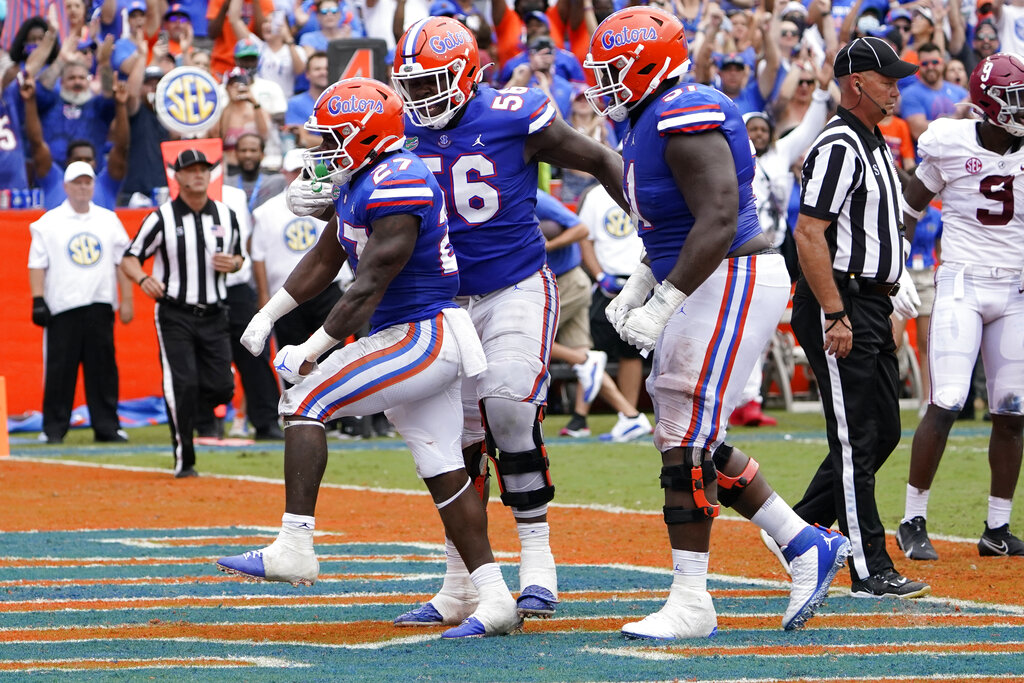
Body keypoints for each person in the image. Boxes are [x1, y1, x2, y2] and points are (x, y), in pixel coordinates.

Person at [216, 78, 522, 639]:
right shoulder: (366, 177)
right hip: (416, 332)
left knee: (304, 396)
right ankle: (497, 599)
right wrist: (268, 314)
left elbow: (369, 284)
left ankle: (295, 543)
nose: (322, 149)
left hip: (422, 334)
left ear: (364, 135)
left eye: (332, 136)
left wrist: (310, 350)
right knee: (443, 469)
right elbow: (326, 255)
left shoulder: (398, 179)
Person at [583, 6, 851, 640]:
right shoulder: (646, 118)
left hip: (730, 277)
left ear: (650, 64)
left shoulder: (686, 108)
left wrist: (666, 297)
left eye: (613, 70)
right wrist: (646, 280)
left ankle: (691, 601)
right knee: (682, 432)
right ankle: (801, 542)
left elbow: (720, 217)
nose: (603, 83)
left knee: (685, 442)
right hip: (709, 278)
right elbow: (670, 223)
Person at [384, 16, 626, 624]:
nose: (419, 97)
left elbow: (599, 157)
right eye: (411, 84)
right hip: (442, 302)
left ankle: (539, 565)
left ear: (467, 77)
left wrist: (655, 228)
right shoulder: (398, 128)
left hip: (515, 284)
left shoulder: (516, 113)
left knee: (511, 411)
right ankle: (461, 584)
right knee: (454, 440)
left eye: (433, 81)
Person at [783, 37, 930, 598]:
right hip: (840, 301)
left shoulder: (874, 143)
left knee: (883, 430)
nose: (896, 86)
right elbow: (809, 232)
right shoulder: (840, 143)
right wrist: (836, 313)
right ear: (856, 83)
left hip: (870, 300)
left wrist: (888, 299)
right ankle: (870, 568)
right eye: (886, 77)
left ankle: (795, 530)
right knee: (855, 439)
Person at [896, 53, 1024, 560]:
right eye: (1015, 99)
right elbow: (908, 208)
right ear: (992, 105)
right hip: (962, 284)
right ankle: (912, 518)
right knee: (946, 401)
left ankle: (997, 528)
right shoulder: (950, 141)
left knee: (1012, 412)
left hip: (1015, 291)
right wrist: (899, 268)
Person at [120, 149, 244, 478]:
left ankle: (200, 407)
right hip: (175, 313)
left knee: (222, 387)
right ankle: (184, 455)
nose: (198, 175)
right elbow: (130, 257)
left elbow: (239, 257)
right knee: (182, 383)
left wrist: (232, 263)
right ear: (178, 177)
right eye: (191, 170)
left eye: (204, 169)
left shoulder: (226, 215)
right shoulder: (161, 217)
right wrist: (144, 279)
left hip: (215, 313)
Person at [28, 161, 134, 444]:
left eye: (88, 182)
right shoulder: (48, 223)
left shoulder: (108, 220)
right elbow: (36, 264)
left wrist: (127, 300)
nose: (83, 187)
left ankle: (107, 425)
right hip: (63, 305)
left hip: (100, 303)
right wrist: (38, 299)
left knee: (103, 370)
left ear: (93, 185)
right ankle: (53, 428)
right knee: (60, 370)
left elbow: (123, 261)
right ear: (66, 186)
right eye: (78, 182)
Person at [899, 42, 969, 143]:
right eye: (925, 64)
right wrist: (956, 117)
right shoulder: (910, 93)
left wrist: (967, 112)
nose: (930, 67)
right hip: (927, 157)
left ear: (943, 63)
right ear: (918, 65)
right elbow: (918, 131)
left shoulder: (960, 92)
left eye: (935, 62)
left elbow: (974, 124)